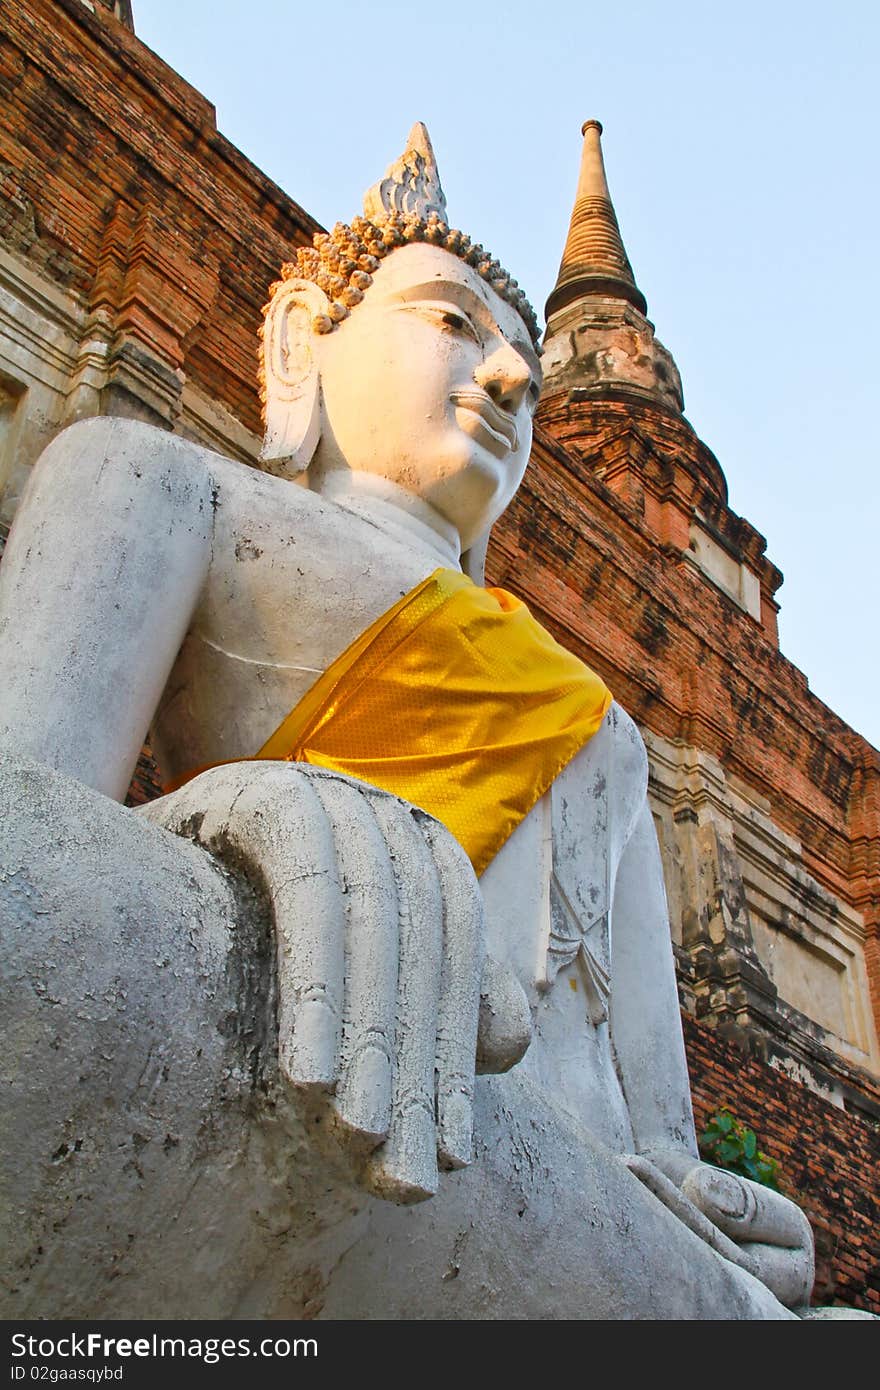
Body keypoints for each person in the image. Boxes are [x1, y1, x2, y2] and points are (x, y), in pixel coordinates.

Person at [0, 126, 813, 1318]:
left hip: (573, 1206)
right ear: (300, 342)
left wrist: (720, 1215)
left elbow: (657, 1133)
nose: (506, 379)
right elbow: (27, 862)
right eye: (449, 322)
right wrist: (235, 808)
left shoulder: (605, 729)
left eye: (525, 366)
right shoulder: (157, 481)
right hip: (321, 1084)